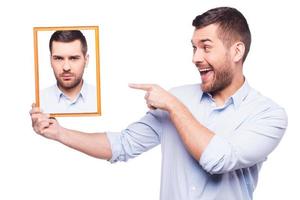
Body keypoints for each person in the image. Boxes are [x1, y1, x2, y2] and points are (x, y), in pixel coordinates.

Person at [30, 7, 288, 200]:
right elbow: (123, 145)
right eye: (193, 47)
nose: (195, 58)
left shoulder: (268, 115)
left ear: (237, 52)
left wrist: (174, 107)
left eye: (206, 47)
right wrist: (58, 133)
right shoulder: (177, 97)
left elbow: (218, 160)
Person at [40, 30, 97, 113]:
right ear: (50, 60)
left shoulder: (103, 98)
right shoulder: (38, 100)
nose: (66, 67)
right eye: (59, 58)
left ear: (86, 60)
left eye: (73, 58)